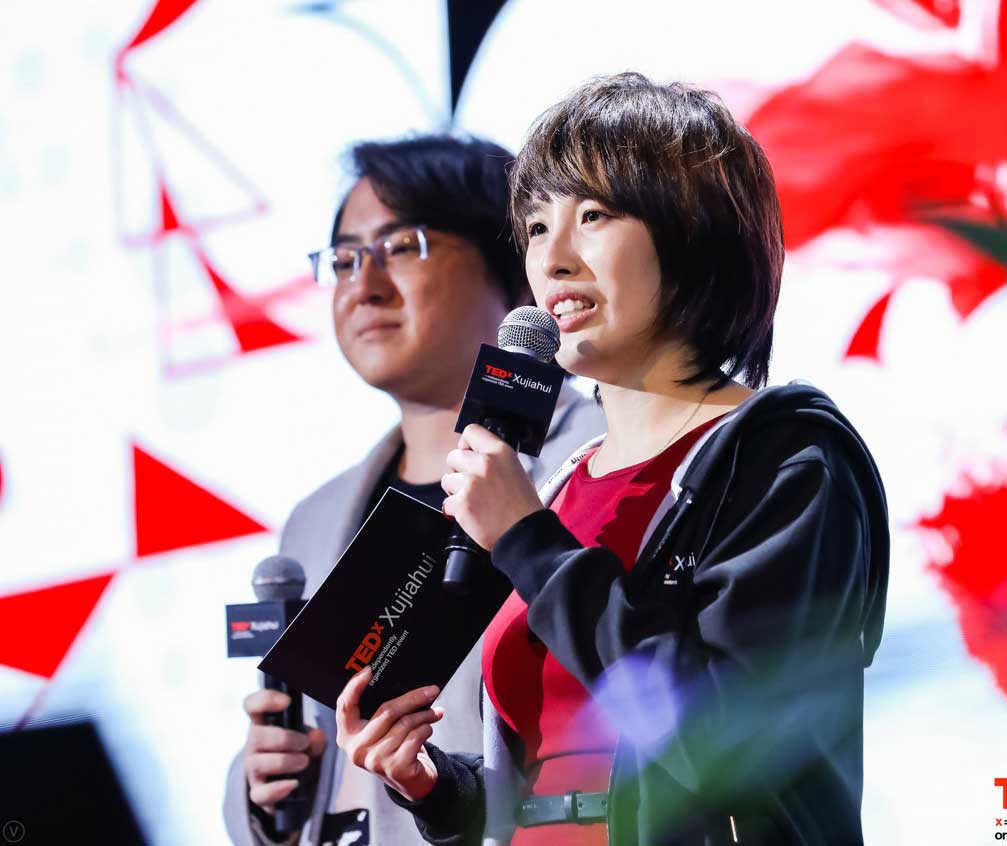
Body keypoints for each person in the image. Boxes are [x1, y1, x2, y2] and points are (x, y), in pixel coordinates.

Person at [334, 74, 890, 846]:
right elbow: (562, 787)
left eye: (592, 216)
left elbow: (724, 740)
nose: (554, 259)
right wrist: (436, 787)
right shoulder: (563, 483)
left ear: (692, 232)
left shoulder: (784, 457)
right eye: (536, 227)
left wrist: (528, 542)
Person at [222, 135, 605, 846]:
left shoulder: (599, 460)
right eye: (344, 259)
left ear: (514, 275)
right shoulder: (315, 521)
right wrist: (270, 793)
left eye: (401, 247)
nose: (363, 285)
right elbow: (319, 754)